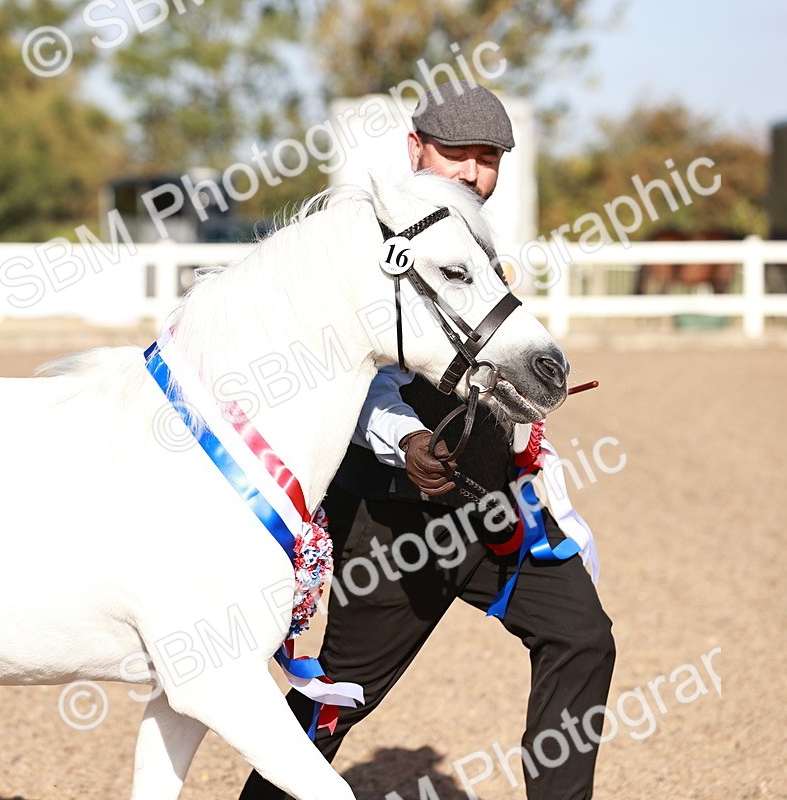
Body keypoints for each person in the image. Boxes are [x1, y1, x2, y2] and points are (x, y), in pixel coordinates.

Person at [238, 81, 615, 800]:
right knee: (340, 696)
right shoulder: (364, 239)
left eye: (490, 159)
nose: (475, 173)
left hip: (496, 504)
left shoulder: (473, 240)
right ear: (416, 149)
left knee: (582, 636)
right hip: (393, 520)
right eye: (458, 155)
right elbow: (353, 363)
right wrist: (406, 437)